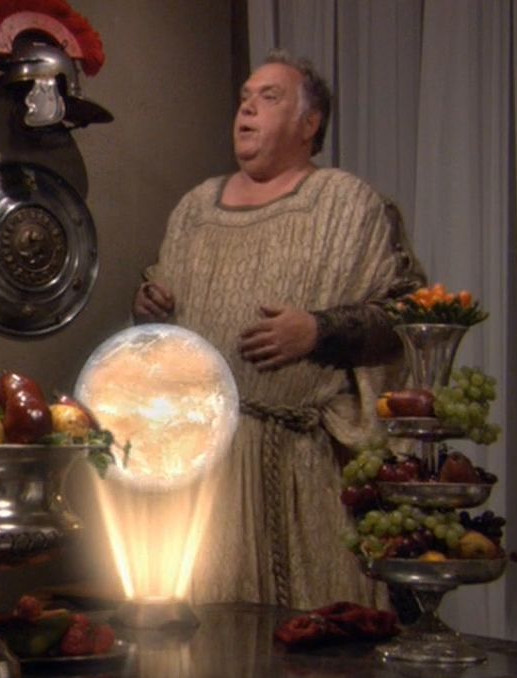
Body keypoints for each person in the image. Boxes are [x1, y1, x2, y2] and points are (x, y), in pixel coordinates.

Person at [133, 51, 426, 609]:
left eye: (269, 98)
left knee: (315, 629)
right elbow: (160, 319)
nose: (247, 109)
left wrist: (319, 330)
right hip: (204, 471)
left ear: (309, 124)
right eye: (245, 98)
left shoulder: (347, 203)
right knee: (211, 627)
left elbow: (406, 314)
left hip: (302, 469)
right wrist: (148, 306)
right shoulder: (195, 209)